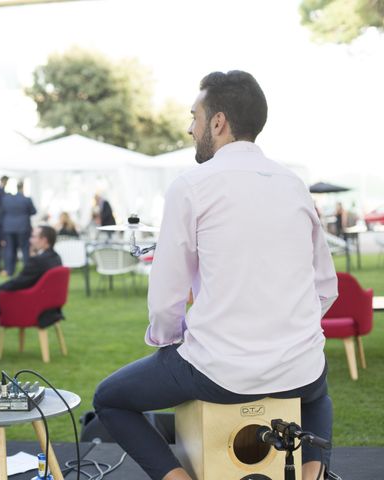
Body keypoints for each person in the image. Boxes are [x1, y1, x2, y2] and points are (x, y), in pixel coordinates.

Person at [93, 71, 340, 480]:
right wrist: (292, 332)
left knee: (109, 399)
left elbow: (165, 298)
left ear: (219, 122)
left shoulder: (191, 185)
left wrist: (169, 339)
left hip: (218, 370)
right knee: (317, 394)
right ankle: (312, 476)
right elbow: (325, 287)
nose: (191, 128)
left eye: (195, 116)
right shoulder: (294, 185)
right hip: (299, 364)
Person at [0, 225, 61, 356]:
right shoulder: (55, 258)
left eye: (34, 236)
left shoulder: (38, 261)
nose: (30, 240)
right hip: (47, 306)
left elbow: (19, 282)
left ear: (44, 240)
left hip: (30, 307)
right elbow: (25, 282)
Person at [1, 180, 36, 276]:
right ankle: (26, 270)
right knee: (25, 249)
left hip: (9, 227)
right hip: (23, 227)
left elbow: (2, 212)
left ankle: (9, 270)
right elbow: (33, 211)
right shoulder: (26, 199)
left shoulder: (6, 199)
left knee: (10, 249)